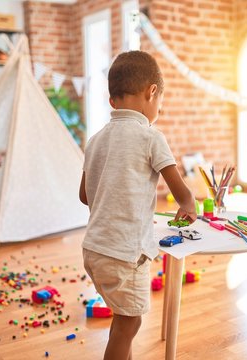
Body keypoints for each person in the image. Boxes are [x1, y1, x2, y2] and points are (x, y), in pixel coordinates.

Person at [78, 51, 196, 360]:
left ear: (112, 99)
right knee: (128, 324)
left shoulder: (95, 140)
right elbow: (180, 191)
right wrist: (188, 203)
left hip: (93, 250)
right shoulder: (150, 137)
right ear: (152, 92)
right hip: (123, 255)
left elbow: (84, 195)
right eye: (160, 102)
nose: (159, 108)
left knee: (123, 320)